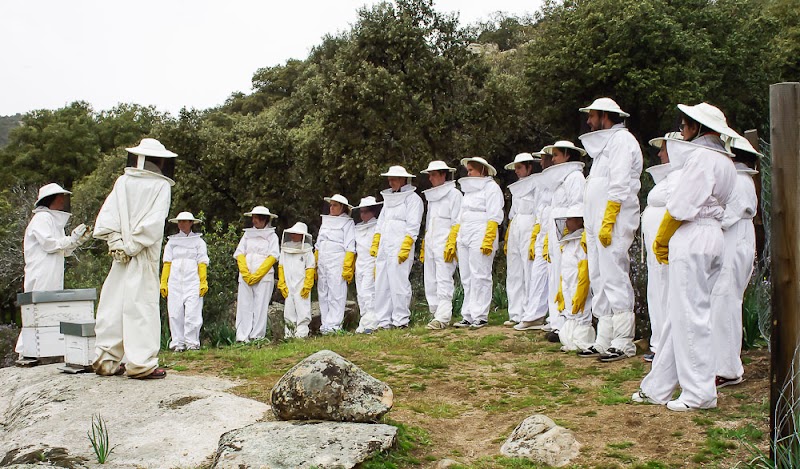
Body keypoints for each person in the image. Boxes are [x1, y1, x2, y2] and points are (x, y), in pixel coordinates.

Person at [634, 102, 739, 411]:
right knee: (679, 315)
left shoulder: (702, 158)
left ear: (696, 128)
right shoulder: (724, 161)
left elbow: (680, 205)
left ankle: (699, 394)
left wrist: (663, 237)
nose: (681, 131)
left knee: (691, 316)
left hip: (693, 234)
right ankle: (658, 387)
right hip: (711, 234)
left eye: (684, 126)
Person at [92, 138, 176, 379]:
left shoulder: (123, 182)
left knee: (113, 304)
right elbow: (154, 223)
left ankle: (106, 361)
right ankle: (140, 364)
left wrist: (117, 243)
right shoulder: (161, 186)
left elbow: (109, 217)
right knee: (141, 306)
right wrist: (131, 246)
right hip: (142, 255)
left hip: (120, 255)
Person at [578, 98, 643, 362]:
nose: (589, 121)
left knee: (615, 275)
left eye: (592, 115)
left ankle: (623, 340)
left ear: (605, 115)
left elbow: (619, 184)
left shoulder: (622, 141)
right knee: (598, 276)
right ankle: (603, 338)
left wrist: (609, 219)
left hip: (613, 221)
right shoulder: (603, 147)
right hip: (597, 221)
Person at [16, 183, 91, 357]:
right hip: (41, 271)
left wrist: (76, 241)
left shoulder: (54, 222)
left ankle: (42, 352)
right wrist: (71, 239)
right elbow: (50, 245)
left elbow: (62, 250)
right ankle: (25, 351)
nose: (63, 201)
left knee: (49, 312)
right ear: (52, 199)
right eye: (60, 197)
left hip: (52, 271)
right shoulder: (42, 218)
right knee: (38, 312)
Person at [711, 136, 760, 388]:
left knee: (725, 300)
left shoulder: (740, 182)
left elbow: (726, 216)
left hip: (735, 240)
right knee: (724, 300)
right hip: (737, 239)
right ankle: (722, 363)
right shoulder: (743, 181)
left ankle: (728, 368)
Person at [446, 157, 504, 329]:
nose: (468, 173)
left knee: (480, 274)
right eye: (468, 170)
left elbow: (495, 214)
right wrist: (455, 235)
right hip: (465, 230)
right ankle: (468, 314)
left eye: (471, 170)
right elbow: (460, 214)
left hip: (481, 229)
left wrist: (489, 237)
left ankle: (481, 315)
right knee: (466, 275)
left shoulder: (492, 188)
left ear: (482, 170)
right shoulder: (469, 191)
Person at [641, 133, 682, 362]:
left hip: (667, 247)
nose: (659, 154)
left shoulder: (679, 178)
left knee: (667, 292)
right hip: (656, 248)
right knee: (656, 292)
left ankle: (668, 346)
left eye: (664, 149)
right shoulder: (669, 179)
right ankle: (659, 342)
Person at [540, 141, 587, 342]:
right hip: (556, 228)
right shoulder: (561, 180)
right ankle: (558, 321)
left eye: (557, 155)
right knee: (556, 275)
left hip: (567, 231)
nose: (554, 159)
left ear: (568, 155)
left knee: (568, 275)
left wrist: (569, 233)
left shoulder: (575, 177)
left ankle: (569, 321)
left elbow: (577, 207)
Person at [371, 166, 424, 329]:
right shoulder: (388, 200)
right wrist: (376, 241)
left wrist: (406, 246)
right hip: (385, 246)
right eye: (390, 178)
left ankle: (401, 320)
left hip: (400, 245)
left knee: (399, 282)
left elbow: (413, 225)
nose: (390, 181)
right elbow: (380, 223)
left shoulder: (413, 199)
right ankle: (383, 321)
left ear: (403, 180)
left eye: (394, 178)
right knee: (381, 283)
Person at [515, 149, 554, 331]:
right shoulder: (542, 182)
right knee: (535, 273)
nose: (544, 161)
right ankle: (533, 314)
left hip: (554, 230)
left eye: (547, 158)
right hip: (541, 230)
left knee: (551, 275)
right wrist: (537, 232)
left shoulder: (568, 179)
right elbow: (540, 207)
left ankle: (553, 318)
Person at [420, 161, 462, 330]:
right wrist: (425, 242)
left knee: (444, 278)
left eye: (433, 175)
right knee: (430, 278)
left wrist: (452, 241)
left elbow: (458, 220)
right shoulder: (432, 197)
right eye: (429, 175)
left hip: (445, 242)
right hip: (431, 241)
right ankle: (435, 312)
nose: (430, 178)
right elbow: (430, 221)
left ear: (444, 175)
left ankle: (443, 316)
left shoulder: (454, 194)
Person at [160, 211, 209, 352]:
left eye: (185, 221)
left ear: (191, 223)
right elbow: (167, 262)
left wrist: (203, 281)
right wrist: (164, 281)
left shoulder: (199, 242)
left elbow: (202, 262)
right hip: (175, 281)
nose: (182, 224)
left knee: (192, 312)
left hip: (192, 280)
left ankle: (192, 343)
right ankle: (178, 343)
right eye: (180, 221)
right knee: (175, 313)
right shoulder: (172, 242)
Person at [503, 153, 540, 330]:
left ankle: (529, 311)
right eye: (516, 168)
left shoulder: (536, 183)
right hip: (516, 223)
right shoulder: (516, 187)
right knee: (514, 269)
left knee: (528, 268)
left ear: (529, 167)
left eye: (520, 167)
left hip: (529, 223)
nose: (517, 171)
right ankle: (515, 312)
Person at [234, 206, 280, 343]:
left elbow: (273, 256)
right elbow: (239, 253)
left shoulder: (272, 236)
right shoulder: (247, 234)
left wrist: (259, 273)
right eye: (253, 218)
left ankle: (257, 336)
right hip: (246, 275)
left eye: (257, 218)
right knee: (244, 305)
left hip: (264, 276)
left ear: (264, 219)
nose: (254, 220)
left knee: (260, 305)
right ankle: (242, 337)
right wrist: (245, 272)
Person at [552, 206, 593, 353]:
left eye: (570, 219)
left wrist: (582, 290)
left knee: (582, 311)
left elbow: (583, 268)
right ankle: (570, 341)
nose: (567, 223)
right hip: (568, 283)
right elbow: (565, 268)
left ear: (579, 221)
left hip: (578, 283)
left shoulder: (583, 241)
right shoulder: (568, 242)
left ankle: (583, 342)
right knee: (569, 311)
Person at [316, 194, 356, 334]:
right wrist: (316, 258)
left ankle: (335, 324)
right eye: (331, 205)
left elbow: (350, 245)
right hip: (323, 258)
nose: (331, 208)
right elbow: (319, 242)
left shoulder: (347, 222)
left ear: (342, 208)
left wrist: (347, 265)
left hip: (337, 258)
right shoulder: (325, 220)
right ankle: (325, 324)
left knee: (336, 291)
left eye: (335, 205)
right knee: (323, 291)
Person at [277, 222, 316, 338]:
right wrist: (282, 282)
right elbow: (281, 266)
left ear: (303, 236)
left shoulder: (307, 250)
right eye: (293, 233)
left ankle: (302, 333)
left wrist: (308, 284)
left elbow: (310, 267)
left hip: (301, 284)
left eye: (297, 233)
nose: (294, 235)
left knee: (303, 308)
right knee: (289, 309)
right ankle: (289, 334)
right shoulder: (285, 248)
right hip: (288, 284)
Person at [352, 197, 382, 334]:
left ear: (373, 212)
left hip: (371, 261)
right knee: (361, 294)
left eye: (365, 212)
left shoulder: (378, 225)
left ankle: (372, 322)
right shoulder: (357, 227)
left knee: (369, 292)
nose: (363, 215)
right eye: (361, 212)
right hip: (360, 263)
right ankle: (364, 321)